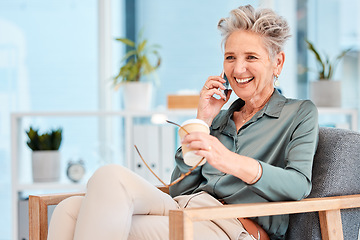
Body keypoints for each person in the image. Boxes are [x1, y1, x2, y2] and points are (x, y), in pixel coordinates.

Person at [48, 5, 318, 240]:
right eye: (230, 57)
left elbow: (298, 186)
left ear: (277, 63)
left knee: (104, 222)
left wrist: (226, 159)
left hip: (233, 227)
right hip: (188, 209)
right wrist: (203, 119)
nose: (237, 69)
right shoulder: (221, 119)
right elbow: (179, 188)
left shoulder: (298, 113)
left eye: (251, 57)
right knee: (75, 203)